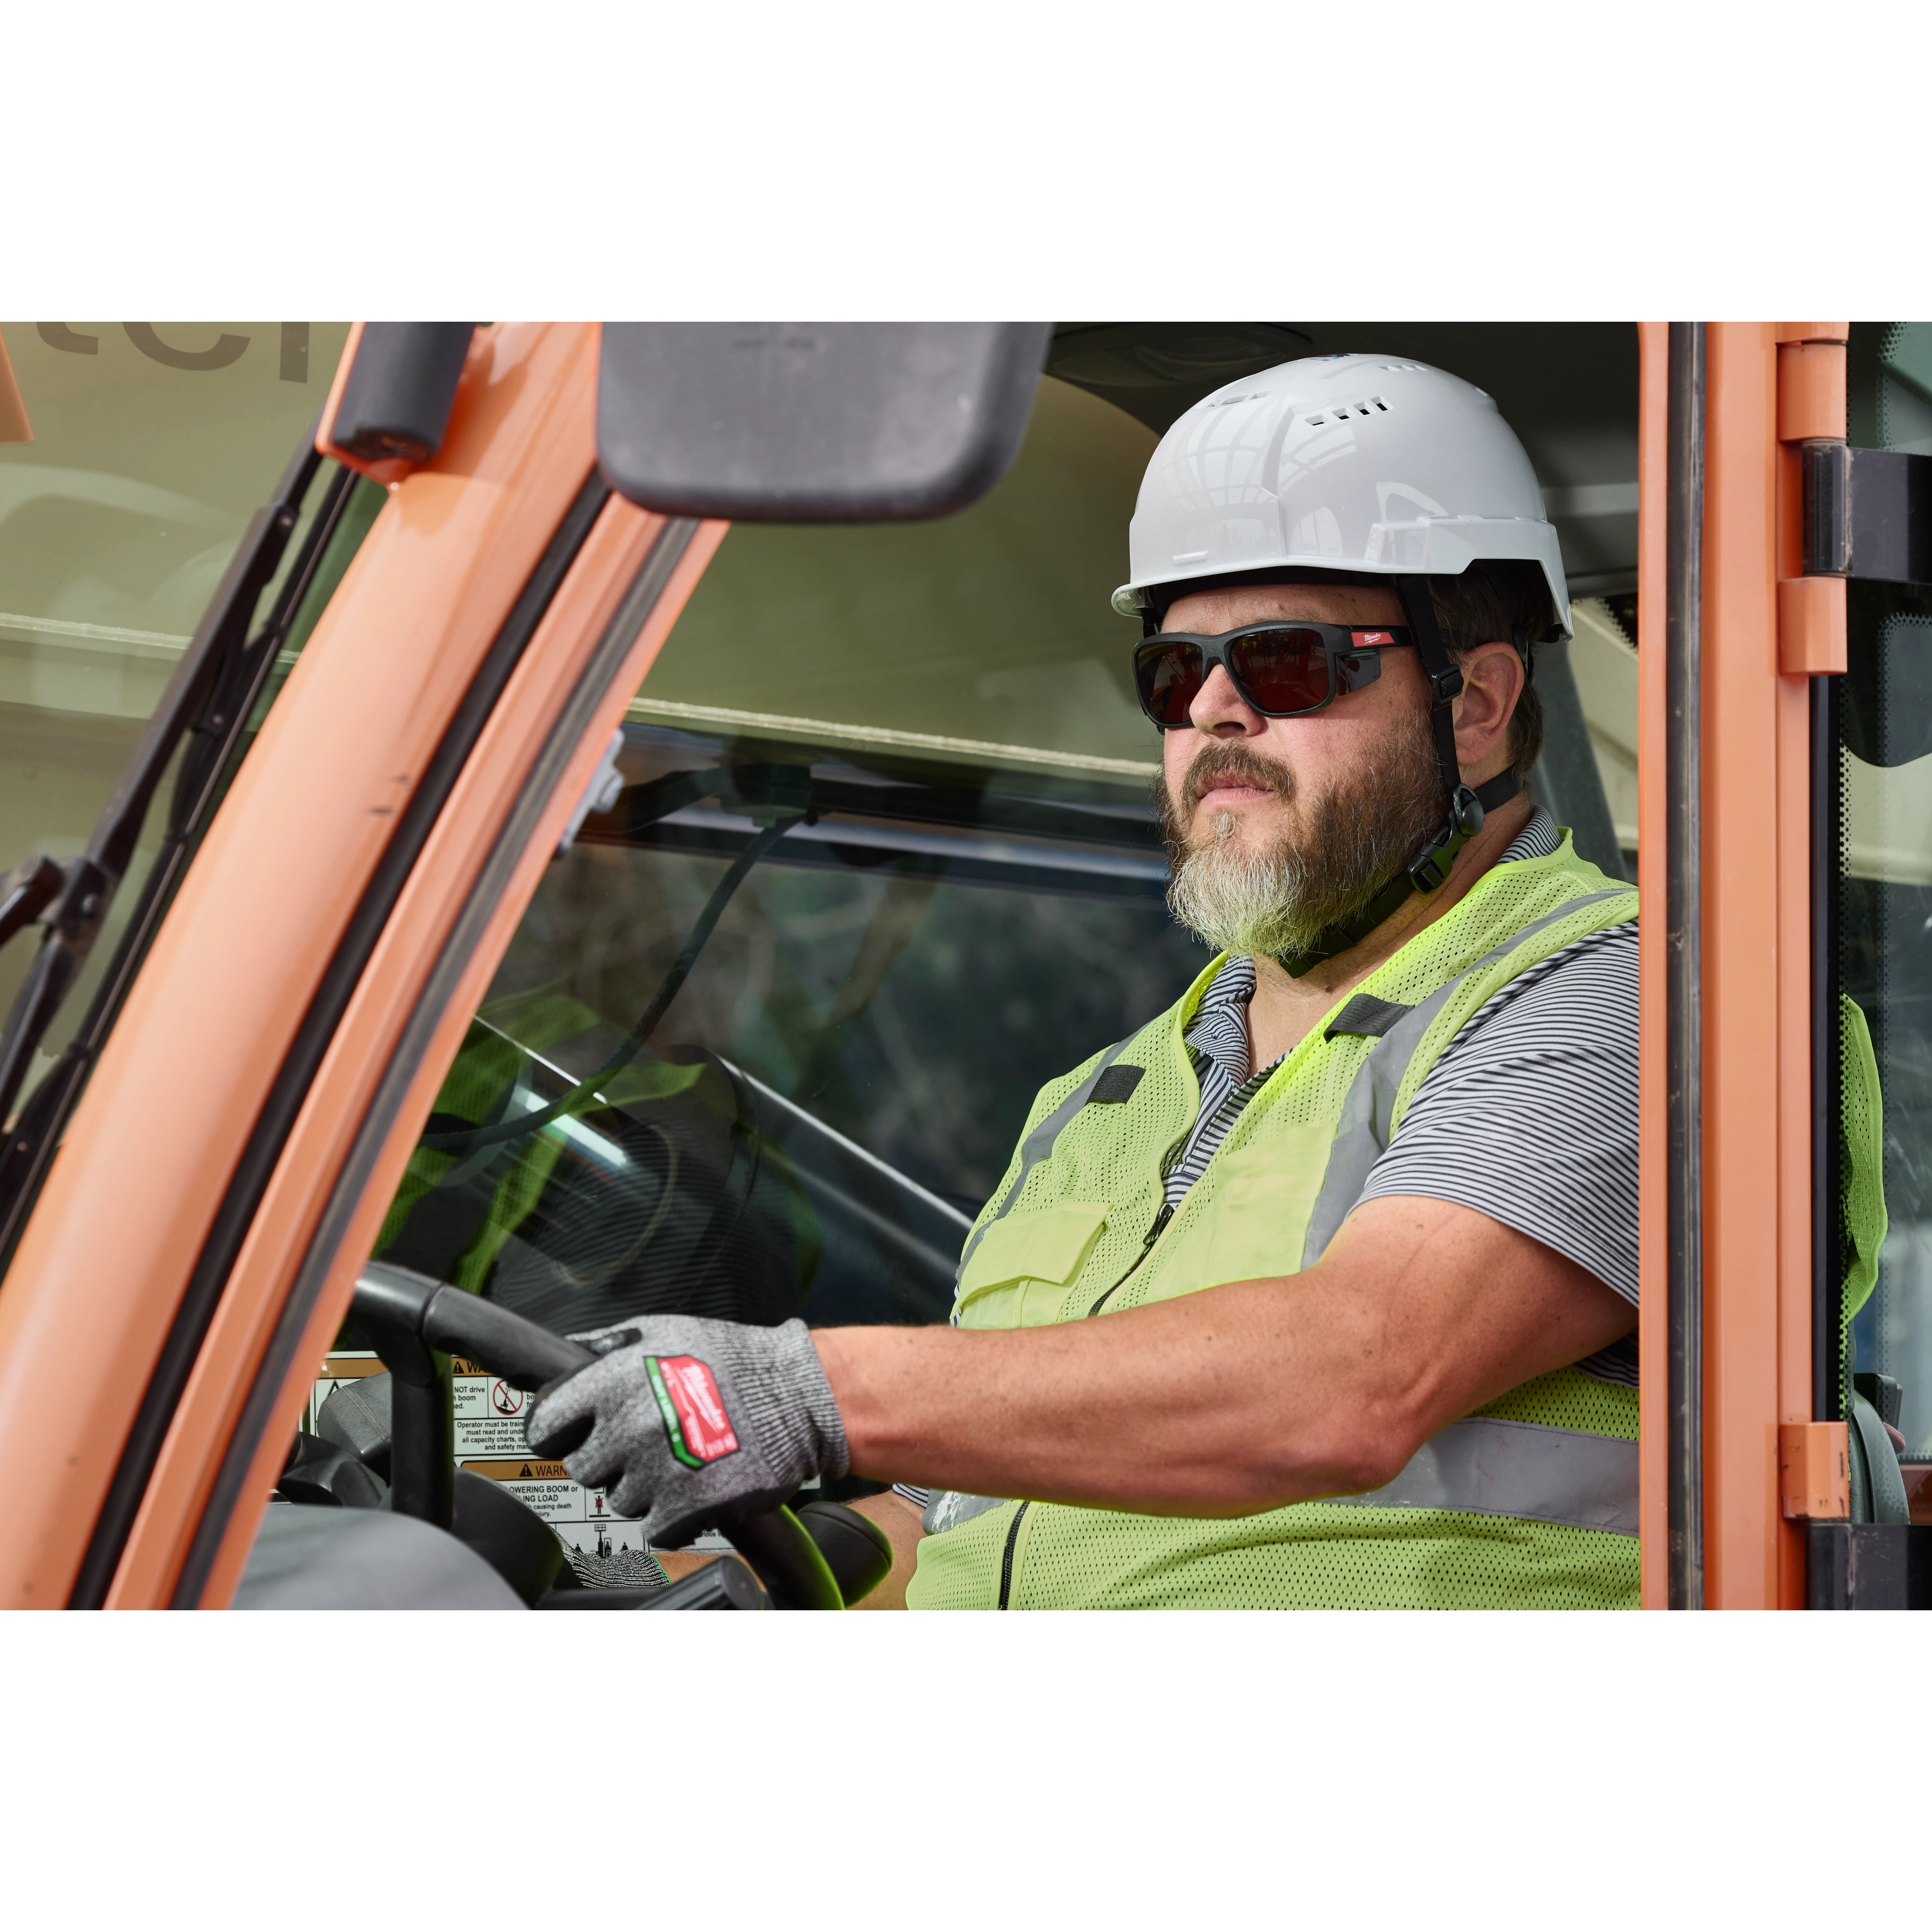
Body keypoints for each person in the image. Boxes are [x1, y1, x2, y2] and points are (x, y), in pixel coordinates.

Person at [526, 354, 1644, 1610]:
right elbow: (968, 1520)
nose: (1215, 711)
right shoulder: (1105, 1097)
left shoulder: (1625, 995)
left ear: (1478, 701)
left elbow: (1354, 1379)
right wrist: (645, 1574)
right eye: (1174, 676)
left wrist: (810, 1390)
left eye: (1285, 665)